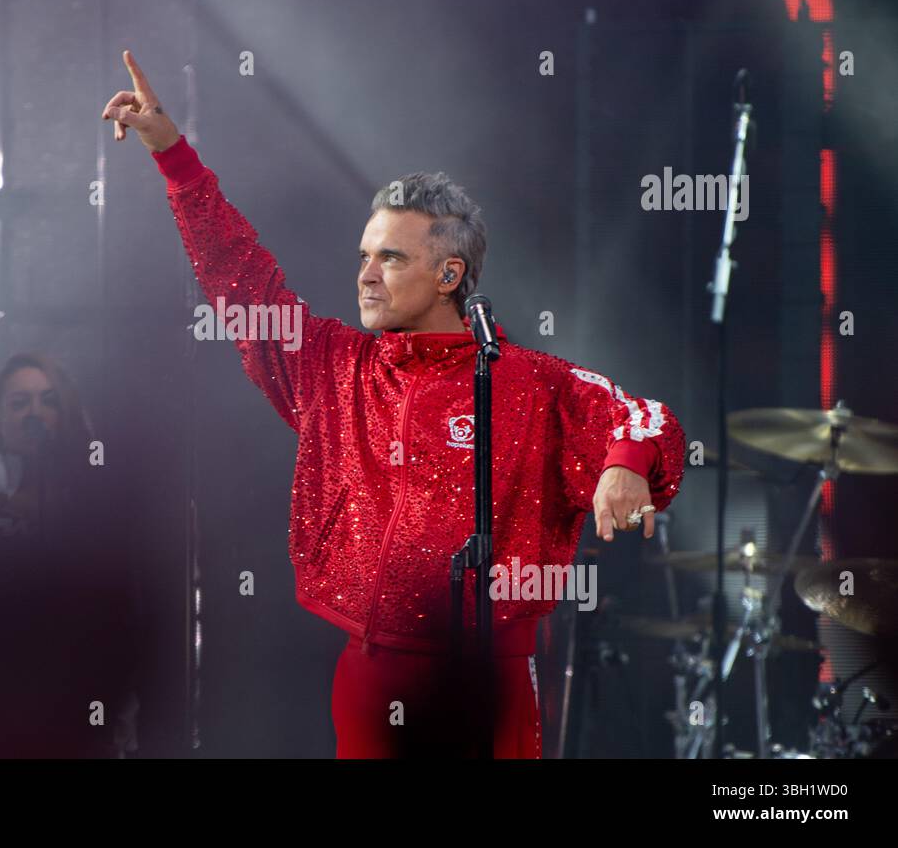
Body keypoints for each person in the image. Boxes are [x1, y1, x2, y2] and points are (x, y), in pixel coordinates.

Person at [101, 50, 687, 758]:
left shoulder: (531, 383)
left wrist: (624, 464)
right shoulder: (332, 366)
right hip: (371, 675)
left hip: (491, 682)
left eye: (390, 259)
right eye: (364, 256)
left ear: (450, 274)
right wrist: (174, 157)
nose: (366, 276)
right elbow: (240, 278)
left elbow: (643, 416)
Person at [0, 201, 139, 758]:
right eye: (18, 403)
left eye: (46, 402)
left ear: (65, 413)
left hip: (75, 723)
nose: (33, 414)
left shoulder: (96, 494)